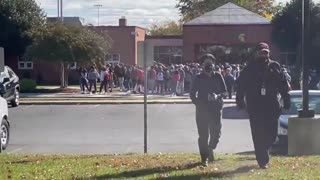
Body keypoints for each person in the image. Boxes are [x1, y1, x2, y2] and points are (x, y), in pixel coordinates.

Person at [236, 42, 291, 169]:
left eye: (266, 52)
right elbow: (241, 86)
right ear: (257, 53)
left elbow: (283, 85)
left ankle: (265, 148)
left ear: (269, 53)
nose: (264, 54)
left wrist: (286, 100)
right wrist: (240, 100)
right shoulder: (249, 68)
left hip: (272, 105)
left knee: (272, 133)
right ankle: (262, 160)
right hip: (255, 106)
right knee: (257, 133)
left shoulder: (275, 66)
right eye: (261, 52)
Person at [190, 54, 227, 167]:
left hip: (216, 109)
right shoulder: (198, 78)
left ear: (214, 64)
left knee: (216, 133)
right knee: (203, 135)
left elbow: (225, 92)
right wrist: (199, 104)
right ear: (202, 65)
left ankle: (211, 148)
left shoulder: (218, 76)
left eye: (210, 63)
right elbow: (192, 94)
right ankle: (204, 158)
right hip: (202, 110)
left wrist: (218, 96)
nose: (208, 66)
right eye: (206, 63)